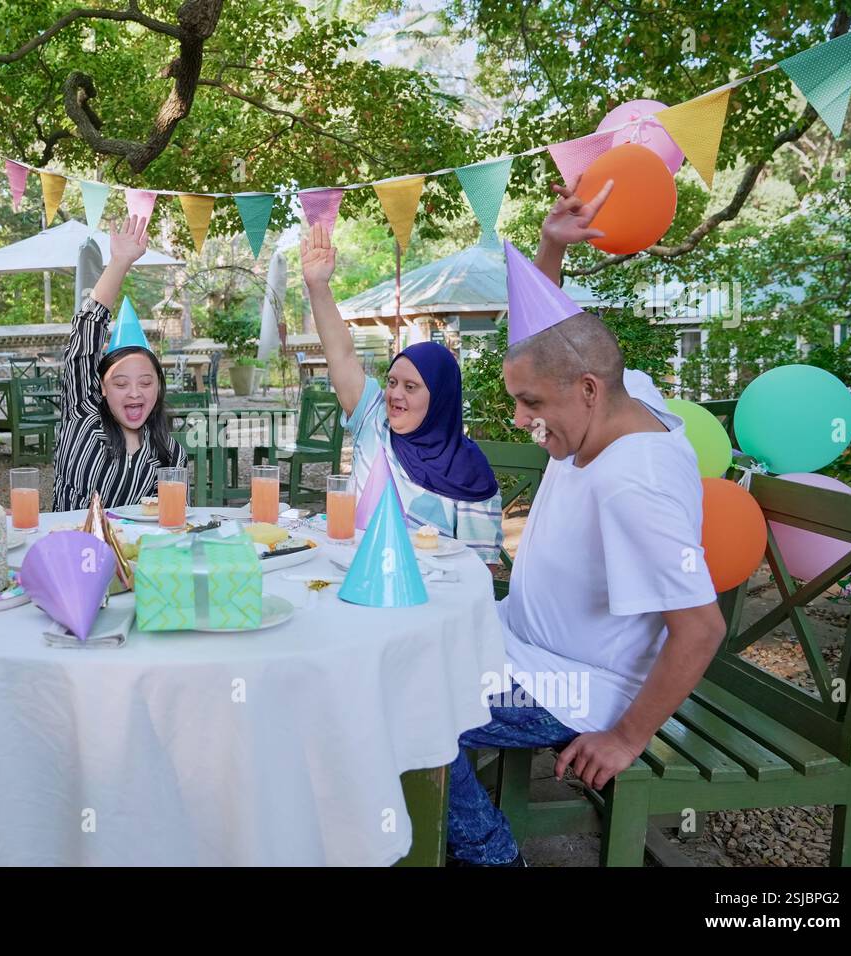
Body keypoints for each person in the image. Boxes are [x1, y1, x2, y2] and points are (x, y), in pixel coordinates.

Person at [444, 178, 727, 866]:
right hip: (517, 641)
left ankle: (489, 855)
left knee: (409, 700)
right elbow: (557, 343)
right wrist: (548, 250)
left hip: (571, 689)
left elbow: (702, 627)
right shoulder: (620, 398)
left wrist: (627, 738)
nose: (520, 419)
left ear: (589, 393)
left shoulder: (637, 483)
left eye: (529, 402)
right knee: (400, 639)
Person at [299, 222, 502, 562]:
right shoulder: (372, 417)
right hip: (345, 575)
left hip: (424, 599)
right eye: (392, 382)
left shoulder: (469, 473)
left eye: (411, 387)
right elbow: (341, 354)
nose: (395, 394)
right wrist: (318, 286)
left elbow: (479, 570)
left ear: (439, 400)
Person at [52, 215, 186, 511]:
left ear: (159, 388)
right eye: (121, 383)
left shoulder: (171, 455)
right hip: (70, 551)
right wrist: (120, 263)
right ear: (102, 388)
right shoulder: (81, 416)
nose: (135, 393)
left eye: (146, 382)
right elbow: (86, 331)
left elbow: (172, 523)